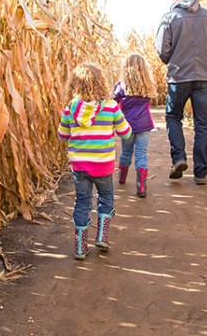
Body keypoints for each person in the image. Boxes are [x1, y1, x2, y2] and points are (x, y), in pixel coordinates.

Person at [58, 63, 132, 260]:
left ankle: (80, 248)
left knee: (82, 201)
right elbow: (126, 133)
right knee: (105, 197)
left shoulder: (70, 109)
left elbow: (62, 135)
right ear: (101, 83)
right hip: (103, 165)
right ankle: (102, 236)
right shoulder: (111, 107)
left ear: (75, 85)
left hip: (79, 166)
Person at [155, 0, 207, 185]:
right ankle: (201, 173)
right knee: (202, 123)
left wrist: (172, 59)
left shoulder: (169, 18)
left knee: (173, 116)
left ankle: (179, 158)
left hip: (178, 77)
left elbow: (162, 50)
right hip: (203, 78)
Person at [112, 54, 157, 197]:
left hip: (127, 126)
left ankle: (122, 178)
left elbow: (113, 101)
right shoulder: (147, 85)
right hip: (144, 126)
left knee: (126, 152)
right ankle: (141, 187)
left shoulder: (121, 86)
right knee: (141, 154)